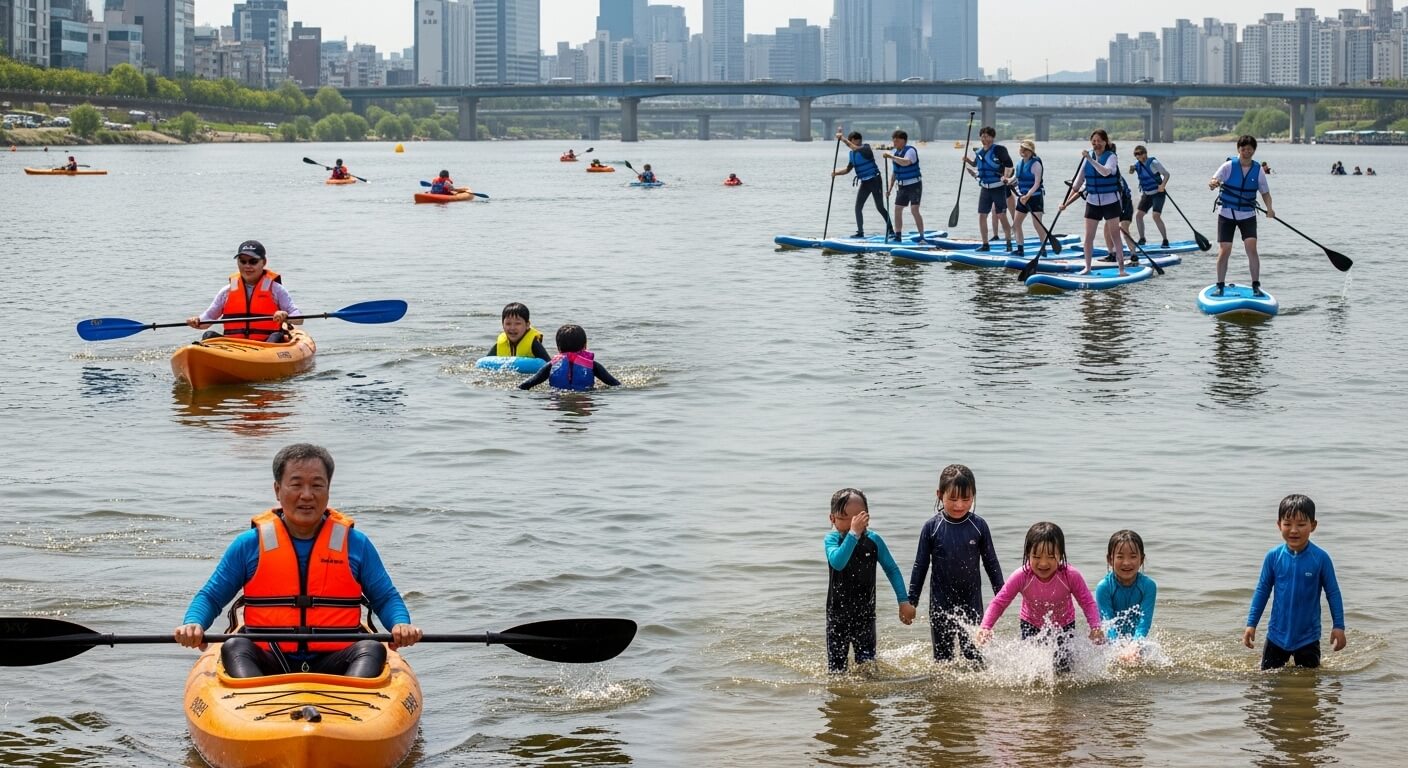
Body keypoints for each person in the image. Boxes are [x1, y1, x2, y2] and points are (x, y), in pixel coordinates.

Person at [174, 444, 423, 678]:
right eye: (296, 485)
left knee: (372, 648)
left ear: (328, 490)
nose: (307, 495)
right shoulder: (249, 545)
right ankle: (254, 701)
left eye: (317, 485)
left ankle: (355, 701)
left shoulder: (356, 544)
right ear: (277, 490)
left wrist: (400, 624)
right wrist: (193, 624)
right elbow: (211, 596)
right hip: (269, 659)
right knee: (235, 646)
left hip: (336, 660)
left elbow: (385, 598)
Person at [906, 464, 1003, 665]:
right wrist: (911, 601)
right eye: (952, 498)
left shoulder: (979, 526)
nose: (959, 505)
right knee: (943, 660)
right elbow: (920, 566)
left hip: (971, 602)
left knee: (974, 657)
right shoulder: (932, 527)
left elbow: (991, 563)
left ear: (973, 496)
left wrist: (1001, 595)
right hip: (940, 603)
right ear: (940, 494)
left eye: (966, 499)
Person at [977, 522, 1104, 672]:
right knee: (1032, 669)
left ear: (1060, 554)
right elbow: (999, 603)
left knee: (1063, 669)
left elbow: (1087, 602)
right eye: (1036, 557)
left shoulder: (1070, 576)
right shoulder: (1021, 576)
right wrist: (985, 627)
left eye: (1050, 557)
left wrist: (1095, 627)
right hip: (1031, 624)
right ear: (1028, 554)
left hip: (1064, 625)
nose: (1043, 563)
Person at [1243, 494, 1346, 670]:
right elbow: (1262, 591)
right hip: (1276, 636)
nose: (1294, 530)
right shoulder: (1273, 557)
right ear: (1279, 525)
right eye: (1287, 524)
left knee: (1309, 682)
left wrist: (1339, 626)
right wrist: (1251, 624)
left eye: (1301, 524)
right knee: (1267, 682)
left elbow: (1333, 593)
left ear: (1313, 525)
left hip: (1308, 638)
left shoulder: (1320, 558)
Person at [825, 488, 913, 672]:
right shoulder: (831, 540)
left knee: (868, 668)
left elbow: (892, 569)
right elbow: (838, 562)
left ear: (867, 517)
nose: (854, 523)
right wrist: (853, 534)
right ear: (832, 519)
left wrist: (903, 601)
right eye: (846, 518)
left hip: (865, 616)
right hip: (837, 616)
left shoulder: (874, 540)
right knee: (836, 670)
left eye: (858, 517)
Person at [186, 240, 302, 344]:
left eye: (253, 261)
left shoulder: (276, 289)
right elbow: (209, 317)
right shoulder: (226, 291)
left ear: (264, 262)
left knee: (276, 336)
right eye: (243, 261)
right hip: (235, 345)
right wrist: (197, 321)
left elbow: (299, 318)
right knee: (208, 335)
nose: (247, 266)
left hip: (266, 344)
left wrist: (286, 316)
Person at [1208, 135, 1274, 297]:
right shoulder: (1228, 166)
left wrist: (1270, 209)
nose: (1246, 152)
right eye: (1243, 149)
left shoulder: (1258, 169)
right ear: (1239, 149)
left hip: (1247, 214)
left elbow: (1265, 192)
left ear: (1254, 151)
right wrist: (1213, 183)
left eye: (1250, 149)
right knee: (1225, 249)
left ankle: (1256, 285)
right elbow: (1213, 181)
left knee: (1251, 248)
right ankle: (1220, 285)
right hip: (1227, 213)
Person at [1060, 129, 1124, 275]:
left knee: (1115, 235)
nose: (1096, 144)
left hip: (1111, 201)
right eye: (1094, 141)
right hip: (1093, 201)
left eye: (1099, 141)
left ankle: (1121, 269)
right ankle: (1087, 268)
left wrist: (1089, 159)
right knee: (1089, 237)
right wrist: (1065, 203)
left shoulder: (1111, 157)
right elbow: (1077, 185)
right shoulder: (1087, 158)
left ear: (1105, 142)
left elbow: (1106, 172)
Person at [1095, 530, 1157, 654]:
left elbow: (1144, 622)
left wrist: (1135, 645)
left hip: (1136, 640)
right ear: (1110, 559)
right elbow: (1108, 624)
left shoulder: (1148, 586)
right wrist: (1119, 649)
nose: (1127, 563)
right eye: (1120, 557)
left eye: (1133, 556)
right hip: (1110, 641)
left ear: (1141, 559)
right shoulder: (1104, 587)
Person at [831, 129, 895, 241]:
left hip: (875, 180)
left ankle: (891, 231)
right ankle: (860, 233)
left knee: (880, 207)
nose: (850, 144)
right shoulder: (852, 154)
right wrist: (836, 173)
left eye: (851, 141)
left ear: (854, 140)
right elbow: (847, 170)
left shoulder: (865, 148)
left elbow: (853, 147)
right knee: (858, 207)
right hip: (864, 183)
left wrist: (842, 138)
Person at [519, 324, 620, 391]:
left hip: (558, 397)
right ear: (585, 346)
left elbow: (528, 384)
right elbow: (614, 383)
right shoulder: (592, 365)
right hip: (584, 397)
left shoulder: (552, 365)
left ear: (558, 348)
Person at [963, 126, 1013, 251]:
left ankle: (1009, 243)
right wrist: (967, 160)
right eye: (982, 136)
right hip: (985, 188)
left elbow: (1010, 165)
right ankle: (985, 244)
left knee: (1001, 215)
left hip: (998, 187)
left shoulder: (999, 150)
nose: (983, 139)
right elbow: (976, 164)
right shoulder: (979, 152)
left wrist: (1006, 177)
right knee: (982, 215)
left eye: (986, 136)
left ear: (992, 137)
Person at [884, 129, 928, 244]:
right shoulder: (895, 153)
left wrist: (891, 157)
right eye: (894, 141)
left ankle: (922, 237)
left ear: (903, 141)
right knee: (897, 209)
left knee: (914, 210)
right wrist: (889, 189)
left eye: (897, 141)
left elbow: (906, 162)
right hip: (902, 186)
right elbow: (895, 173)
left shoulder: (910, 151)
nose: (894, 143)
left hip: (914, 185)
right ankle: (898, 235)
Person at [1010, 140, 1052, 256]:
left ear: (1031, 151)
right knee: (1016, 224)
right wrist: (1007, 180)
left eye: (1026, 149)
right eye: (1022, 149)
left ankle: (1043, 248)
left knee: (1037, 224)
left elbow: (1037, 184)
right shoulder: (1019, 164)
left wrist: (1028, 195)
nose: (1023, 151)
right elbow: (1015, 178)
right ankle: (1020, 249)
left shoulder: (1036, 164)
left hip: (1035, 197)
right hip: (1022, 198)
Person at [1129, 145, 1171, 247]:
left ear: (1145, 153)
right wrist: (1131, 169)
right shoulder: (1137, 165)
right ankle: (1142, 239)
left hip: (1158, 193)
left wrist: (1162, 185)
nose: (1138, 156)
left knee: (1156, 216)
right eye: (1136, 154)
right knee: (1138, 216)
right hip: (1147, 194)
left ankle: (1165, 240)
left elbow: (1166, 174)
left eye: (1140, 154)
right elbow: (1131, 172)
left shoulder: (1153, 163)